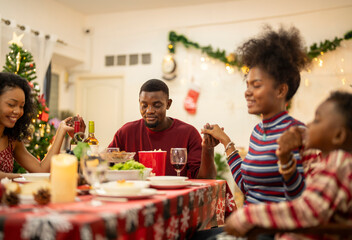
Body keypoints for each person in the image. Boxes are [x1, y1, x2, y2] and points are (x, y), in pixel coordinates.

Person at [201, 26, 310, 205]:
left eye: (256, 85)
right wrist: (225, 140)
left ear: (281, 90)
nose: (247, 92)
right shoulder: (258, 131)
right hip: (250, 223)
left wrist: (287, 162)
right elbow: (246, 187)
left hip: (271, 228)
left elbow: (301, 200)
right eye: (248, 85)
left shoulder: (297, 133)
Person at [224, 91, 352, 240]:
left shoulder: (339, 163)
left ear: (338, 136)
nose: (309, 125)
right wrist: (285, 157)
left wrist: (247, 215)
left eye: (317, 120)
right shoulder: (330, 162)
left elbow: (306, 211)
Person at [108, 79, 215, 179]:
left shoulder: (188, 133)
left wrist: (208, 149)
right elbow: (105, 165)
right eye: (144, 105)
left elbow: (205, 179)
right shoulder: (126, 132)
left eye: (157, 105)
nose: (149, 111)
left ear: (168, 104)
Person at [0, 72, 83, 180]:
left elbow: (41, 169)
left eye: (22, 106)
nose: (17, 111)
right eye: (11, 104)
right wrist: (19, 177)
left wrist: (61, 131)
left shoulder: (12, 140)